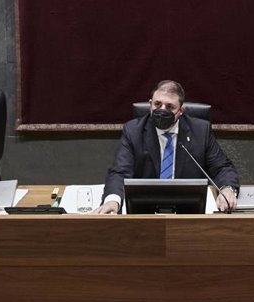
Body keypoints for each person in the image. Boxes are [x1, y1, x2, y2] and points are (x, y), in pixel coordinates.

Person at [95, 79, 239, 213]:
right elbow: (120, 172)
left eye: (170, 107)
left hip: (189, 211)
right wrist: (112, 201)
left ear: (181, 110)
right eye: (157, 104)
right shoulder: (133, 131)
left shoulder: (200, 131)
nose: (162, 110)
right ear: (150, 104)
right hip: (145, 210)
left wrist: (227, 189)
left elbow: (222, 168)